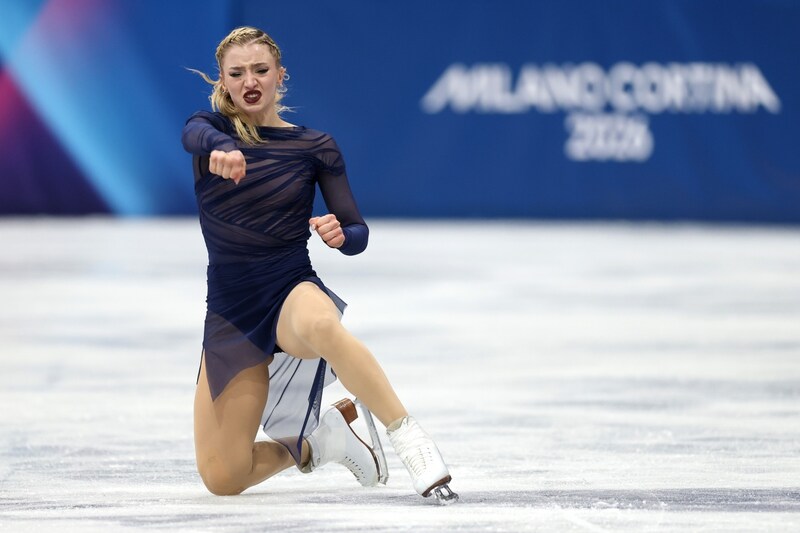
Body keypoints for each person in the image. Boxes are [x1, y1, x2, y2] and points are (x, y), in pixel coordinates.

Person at [181, 26, 457, 503]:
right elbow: (193, 133)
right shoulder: (211, 133)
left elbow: (358, 233)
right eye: (238, 73)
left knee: (324, 327)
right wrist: (220, 148)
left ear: (280, 76)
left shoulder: (314, 147)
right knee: (223, 477)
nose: (251, 81)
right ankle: (320, 443)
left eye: (261, 70)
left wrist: (340, 235)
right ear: (223, 82)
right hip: (230, 312)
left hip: (289, 289)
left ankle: (410, 438)